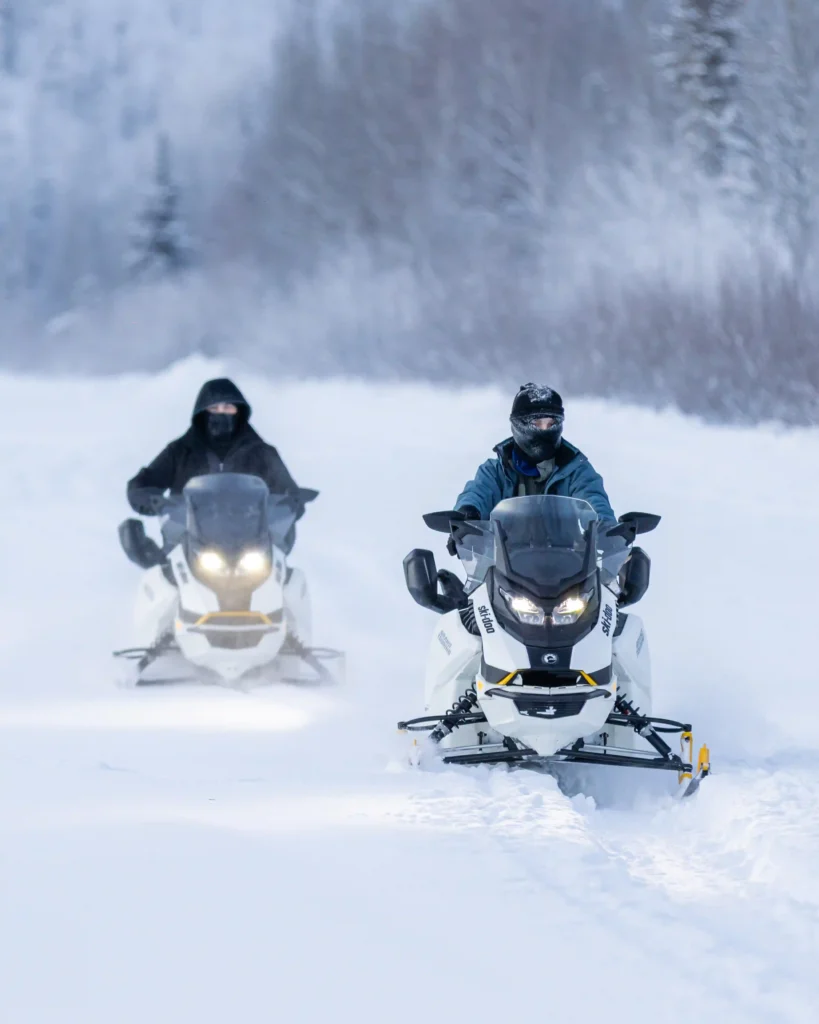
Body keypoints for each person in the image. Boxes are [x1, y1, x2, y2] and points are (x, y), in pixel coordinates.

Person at [127, 377, 305, 548]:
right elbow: (140, 485)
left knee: (292, 577)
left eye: (228, 407)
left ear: (239, 411)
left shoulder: (262, 454)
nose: (221, 413)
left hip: (252, 548)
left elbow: (288, 491)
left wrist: (290, 503)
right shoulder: (180, 451)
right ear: (202, 412)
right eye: (214, 408)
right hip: (185, 546)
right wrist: (154, 501)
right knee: (156, 578)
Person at [454, 383, 615, 524]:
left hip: (566, 556)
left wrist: (606, 528)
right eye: (537, 423)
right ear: (518, 425)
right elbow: (477, 493)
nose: (545, 430)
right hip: (503, 556)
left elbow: (594, 500)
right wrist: (467, 513)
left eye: (551, 423)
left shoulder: (575, 469)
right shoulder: (496, 471)